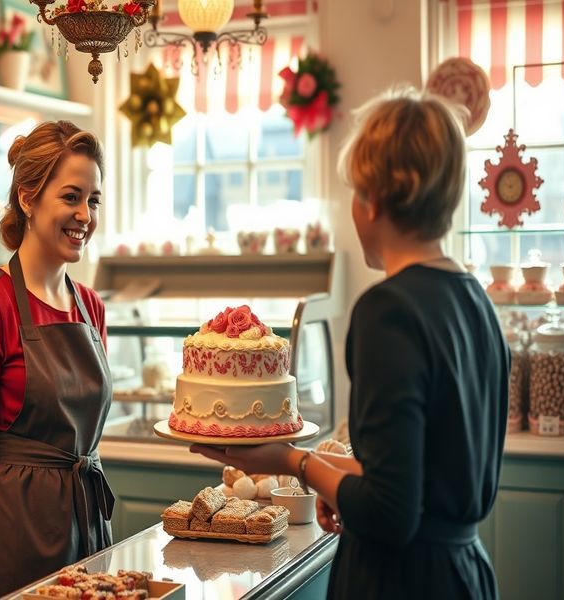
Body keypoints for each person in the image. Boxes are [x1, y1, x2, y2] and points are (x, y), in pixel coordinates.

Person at [192, 87, 508, 599]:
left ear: (376, 200)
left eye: (356, 192)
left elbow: (389, 510)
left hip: (401, 582)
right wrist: (328, 475)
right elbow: (422, 476)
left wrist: (292, 462)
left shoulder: (390, 310)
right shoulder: (476, 301)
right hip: (464, 573)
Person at [0, 121, 113, 600]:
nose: (85, 214)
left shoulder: (91, 305)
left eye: (94, 199)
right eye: (71, 197)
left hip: (88, 527)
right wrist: (19, 509)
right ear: (27, 198)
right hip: (13, 539)